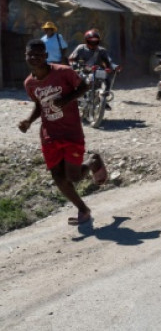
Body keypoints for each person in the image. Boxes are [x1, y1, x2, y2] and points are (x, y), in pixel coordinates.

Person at [18, 39, 109, 226]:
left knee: (73, 177)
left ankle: (93, 162)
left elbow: (83, 86)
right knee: (58, 177)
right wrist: (28, 120)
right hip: (49, 135)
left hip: (71, 132)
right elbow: (39, 105)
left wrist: (67, 99)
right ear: (25, 56)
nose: (34, 57)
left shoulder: (63, 72)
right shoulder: (29, 83)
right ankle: (83, 210)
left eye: (38, 54)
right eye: (30, 54)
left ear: (45, 56)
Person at [68, 29, 121, 104]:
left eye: (95, 41)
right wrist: (76, 65)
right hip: (83, 70)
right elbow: (71, 59)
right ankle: (75, 99)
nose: (93, 43)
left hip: (97, 71)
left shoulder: (102, 50)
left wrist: (115, 67)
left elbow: (109, 61)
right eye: (91, 41)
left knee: (106, 78)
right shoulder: (80, 48)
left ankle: (104, 99)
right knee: (76, 83)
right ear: (86, 41)